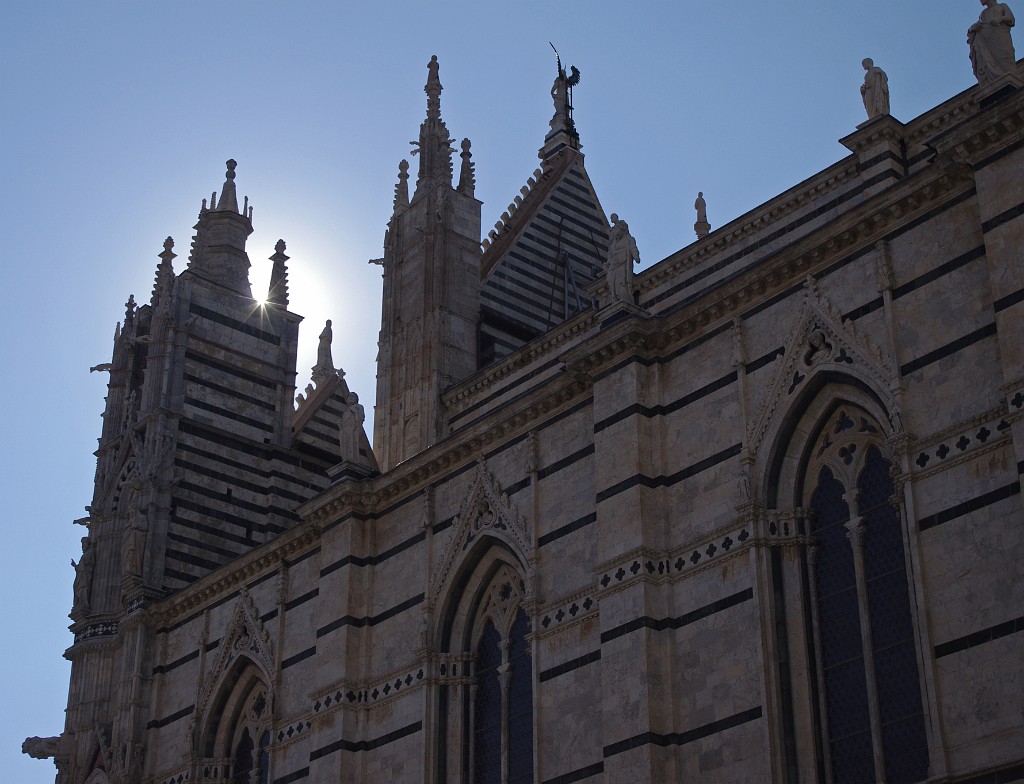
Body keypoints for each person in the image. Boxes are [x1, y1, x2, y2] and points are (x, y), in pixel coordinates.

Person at [969, 0, 1018, 85]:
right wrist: (971, 29)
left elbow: (1011, 18)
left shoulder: (1002, 6)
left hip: (1001, 37)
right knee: (990, 60)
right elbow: (979, 25)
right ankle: (994, 79)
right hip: (988, 41)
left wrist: (1000, 19)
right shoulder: (983, 13)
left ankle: (1013, 79)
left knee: (1007, 57)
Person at [605, 213, 640, 305]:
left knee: (621, 284)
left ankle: (625, 302)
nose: (617, 232)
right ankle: (615, 301)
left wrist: (636, 256)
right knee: (611, 284)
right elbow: (610, 255)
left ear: (623, 229)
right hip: (613, 267)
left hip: (622, 266)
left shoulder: (629, 239)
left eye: (619, 230)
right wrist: (608, 263)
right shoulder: (614, 243)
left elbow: (633, 248)